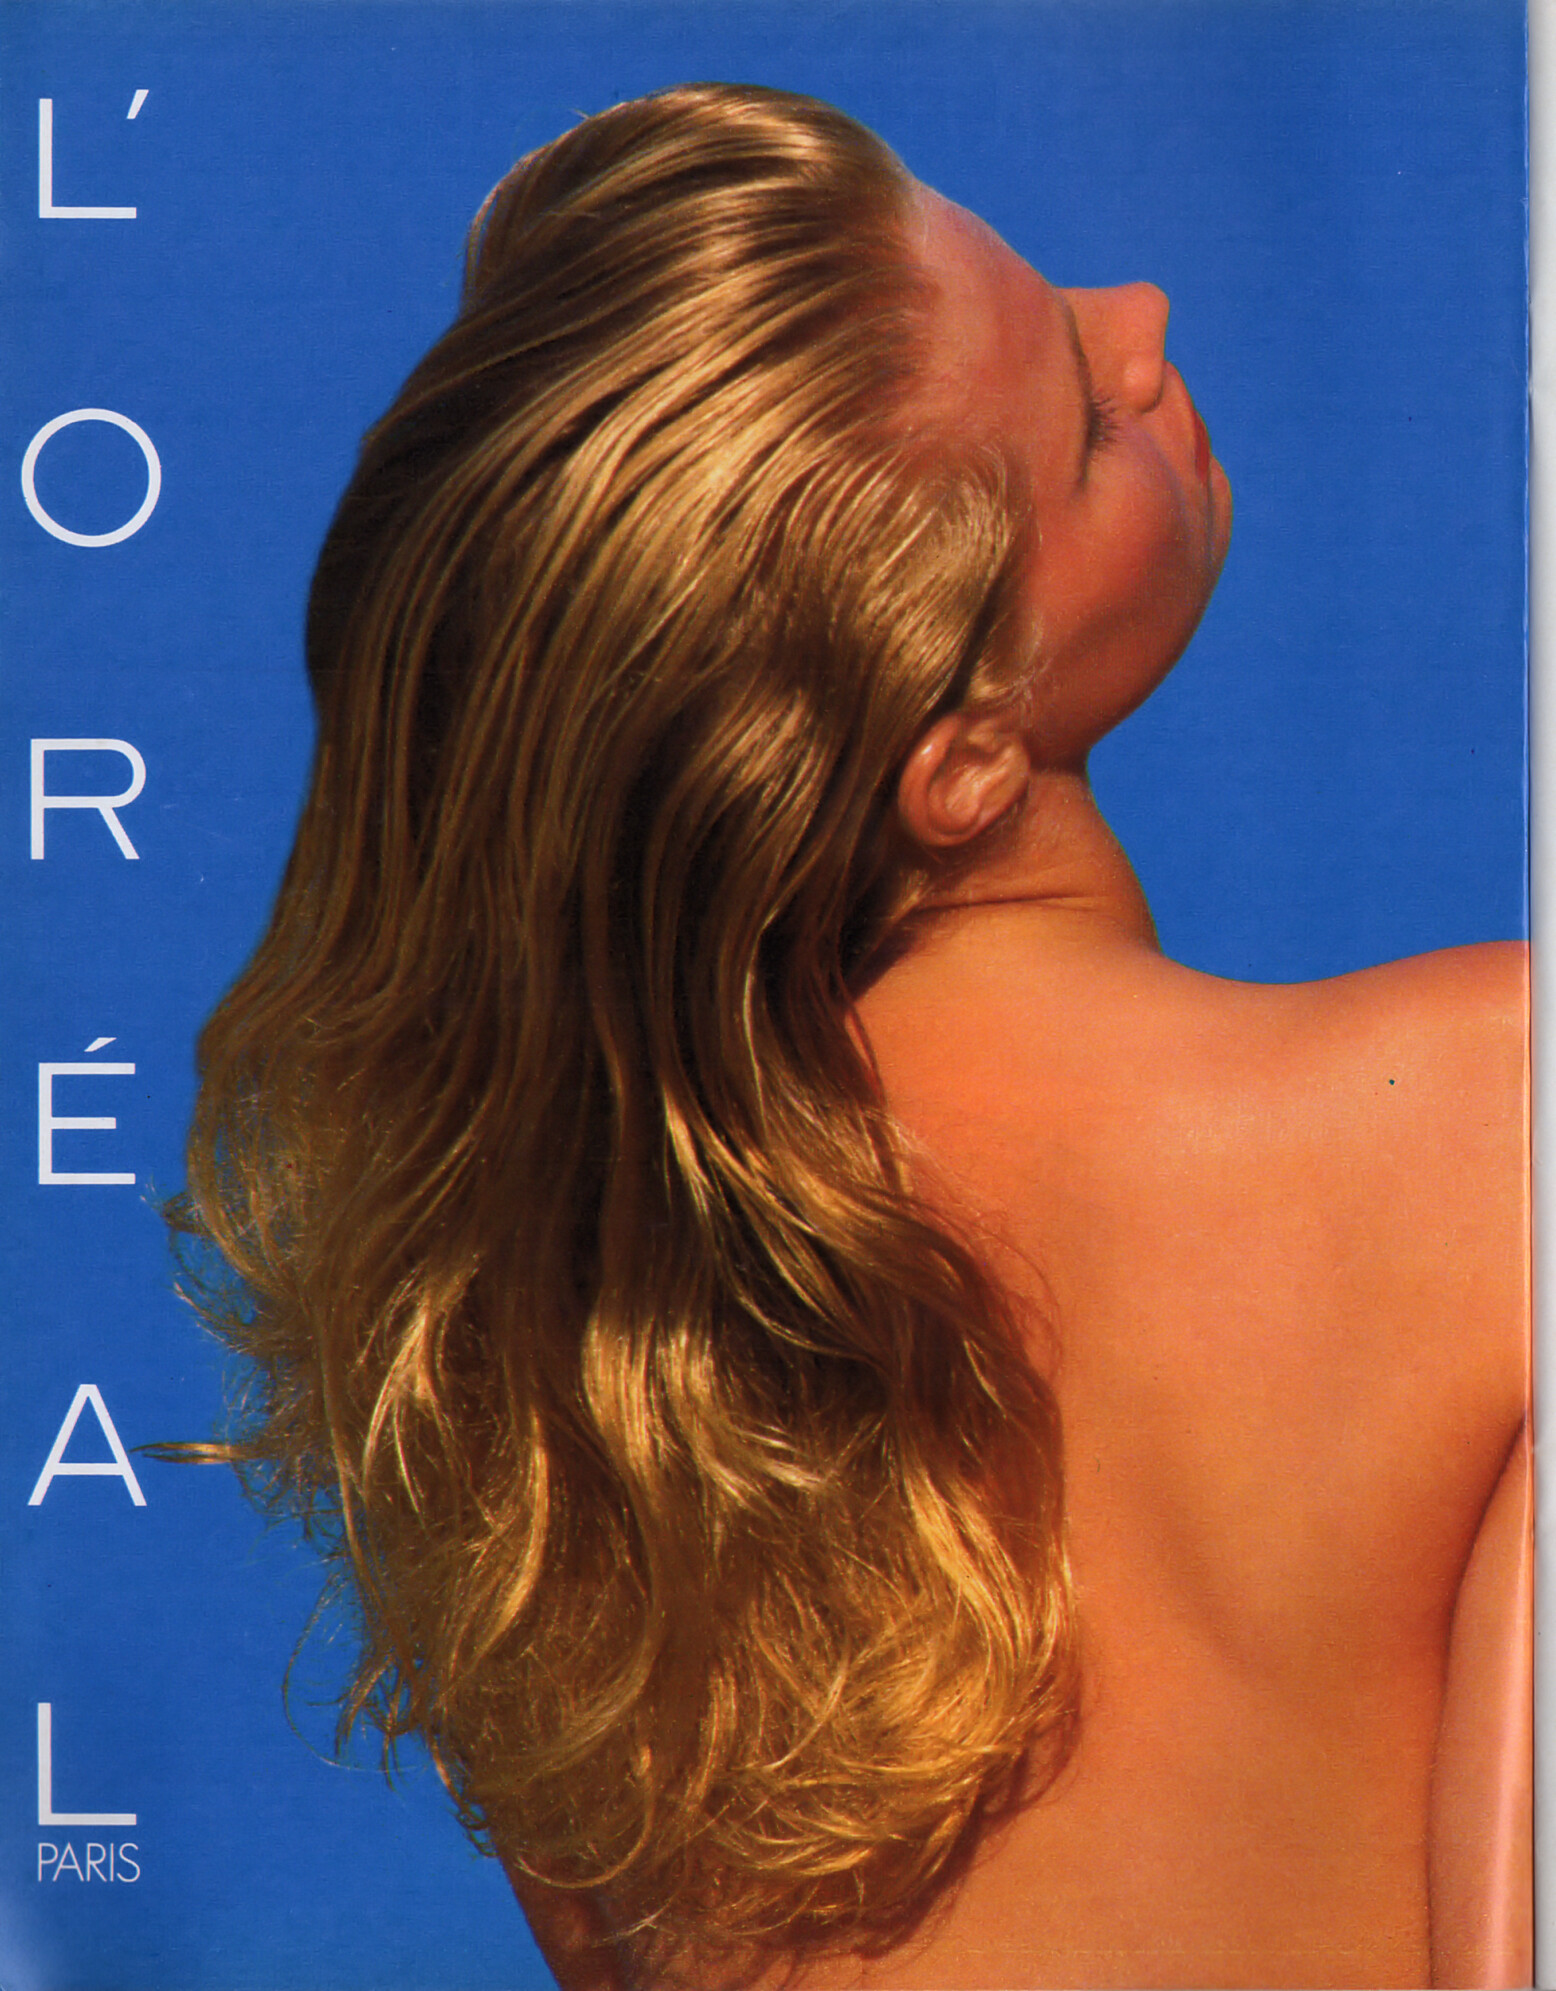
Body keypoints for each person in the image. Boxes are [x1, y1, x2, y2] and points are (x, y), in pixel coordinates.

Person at [172, 83, 1529, 1990]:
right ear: (959, 760)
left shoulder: (556, 1391)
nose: (1144, 316)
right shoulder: (1498, 1127)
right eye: (1087, 423)